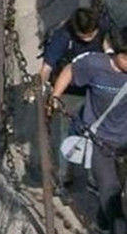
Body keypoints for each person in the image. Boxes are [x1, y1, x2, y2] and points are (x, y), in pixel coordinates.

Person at [52, 27, 127, 234]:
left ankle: (103, 223)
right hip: (100, 141)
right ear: (116, 53)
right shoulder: (95, 64)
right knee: (110, 191)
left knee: (116, 191)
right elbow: (71, 69)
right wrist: (56, 95)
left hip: (124, 141)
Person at [40, 8, 108, 87]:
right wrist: (41, 86)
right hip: (73, 75)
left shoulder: (102, 24)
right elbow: (46, 68)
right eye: (84, 36)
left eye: (91, 35)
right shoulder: (62, 37)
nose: (88, 39)